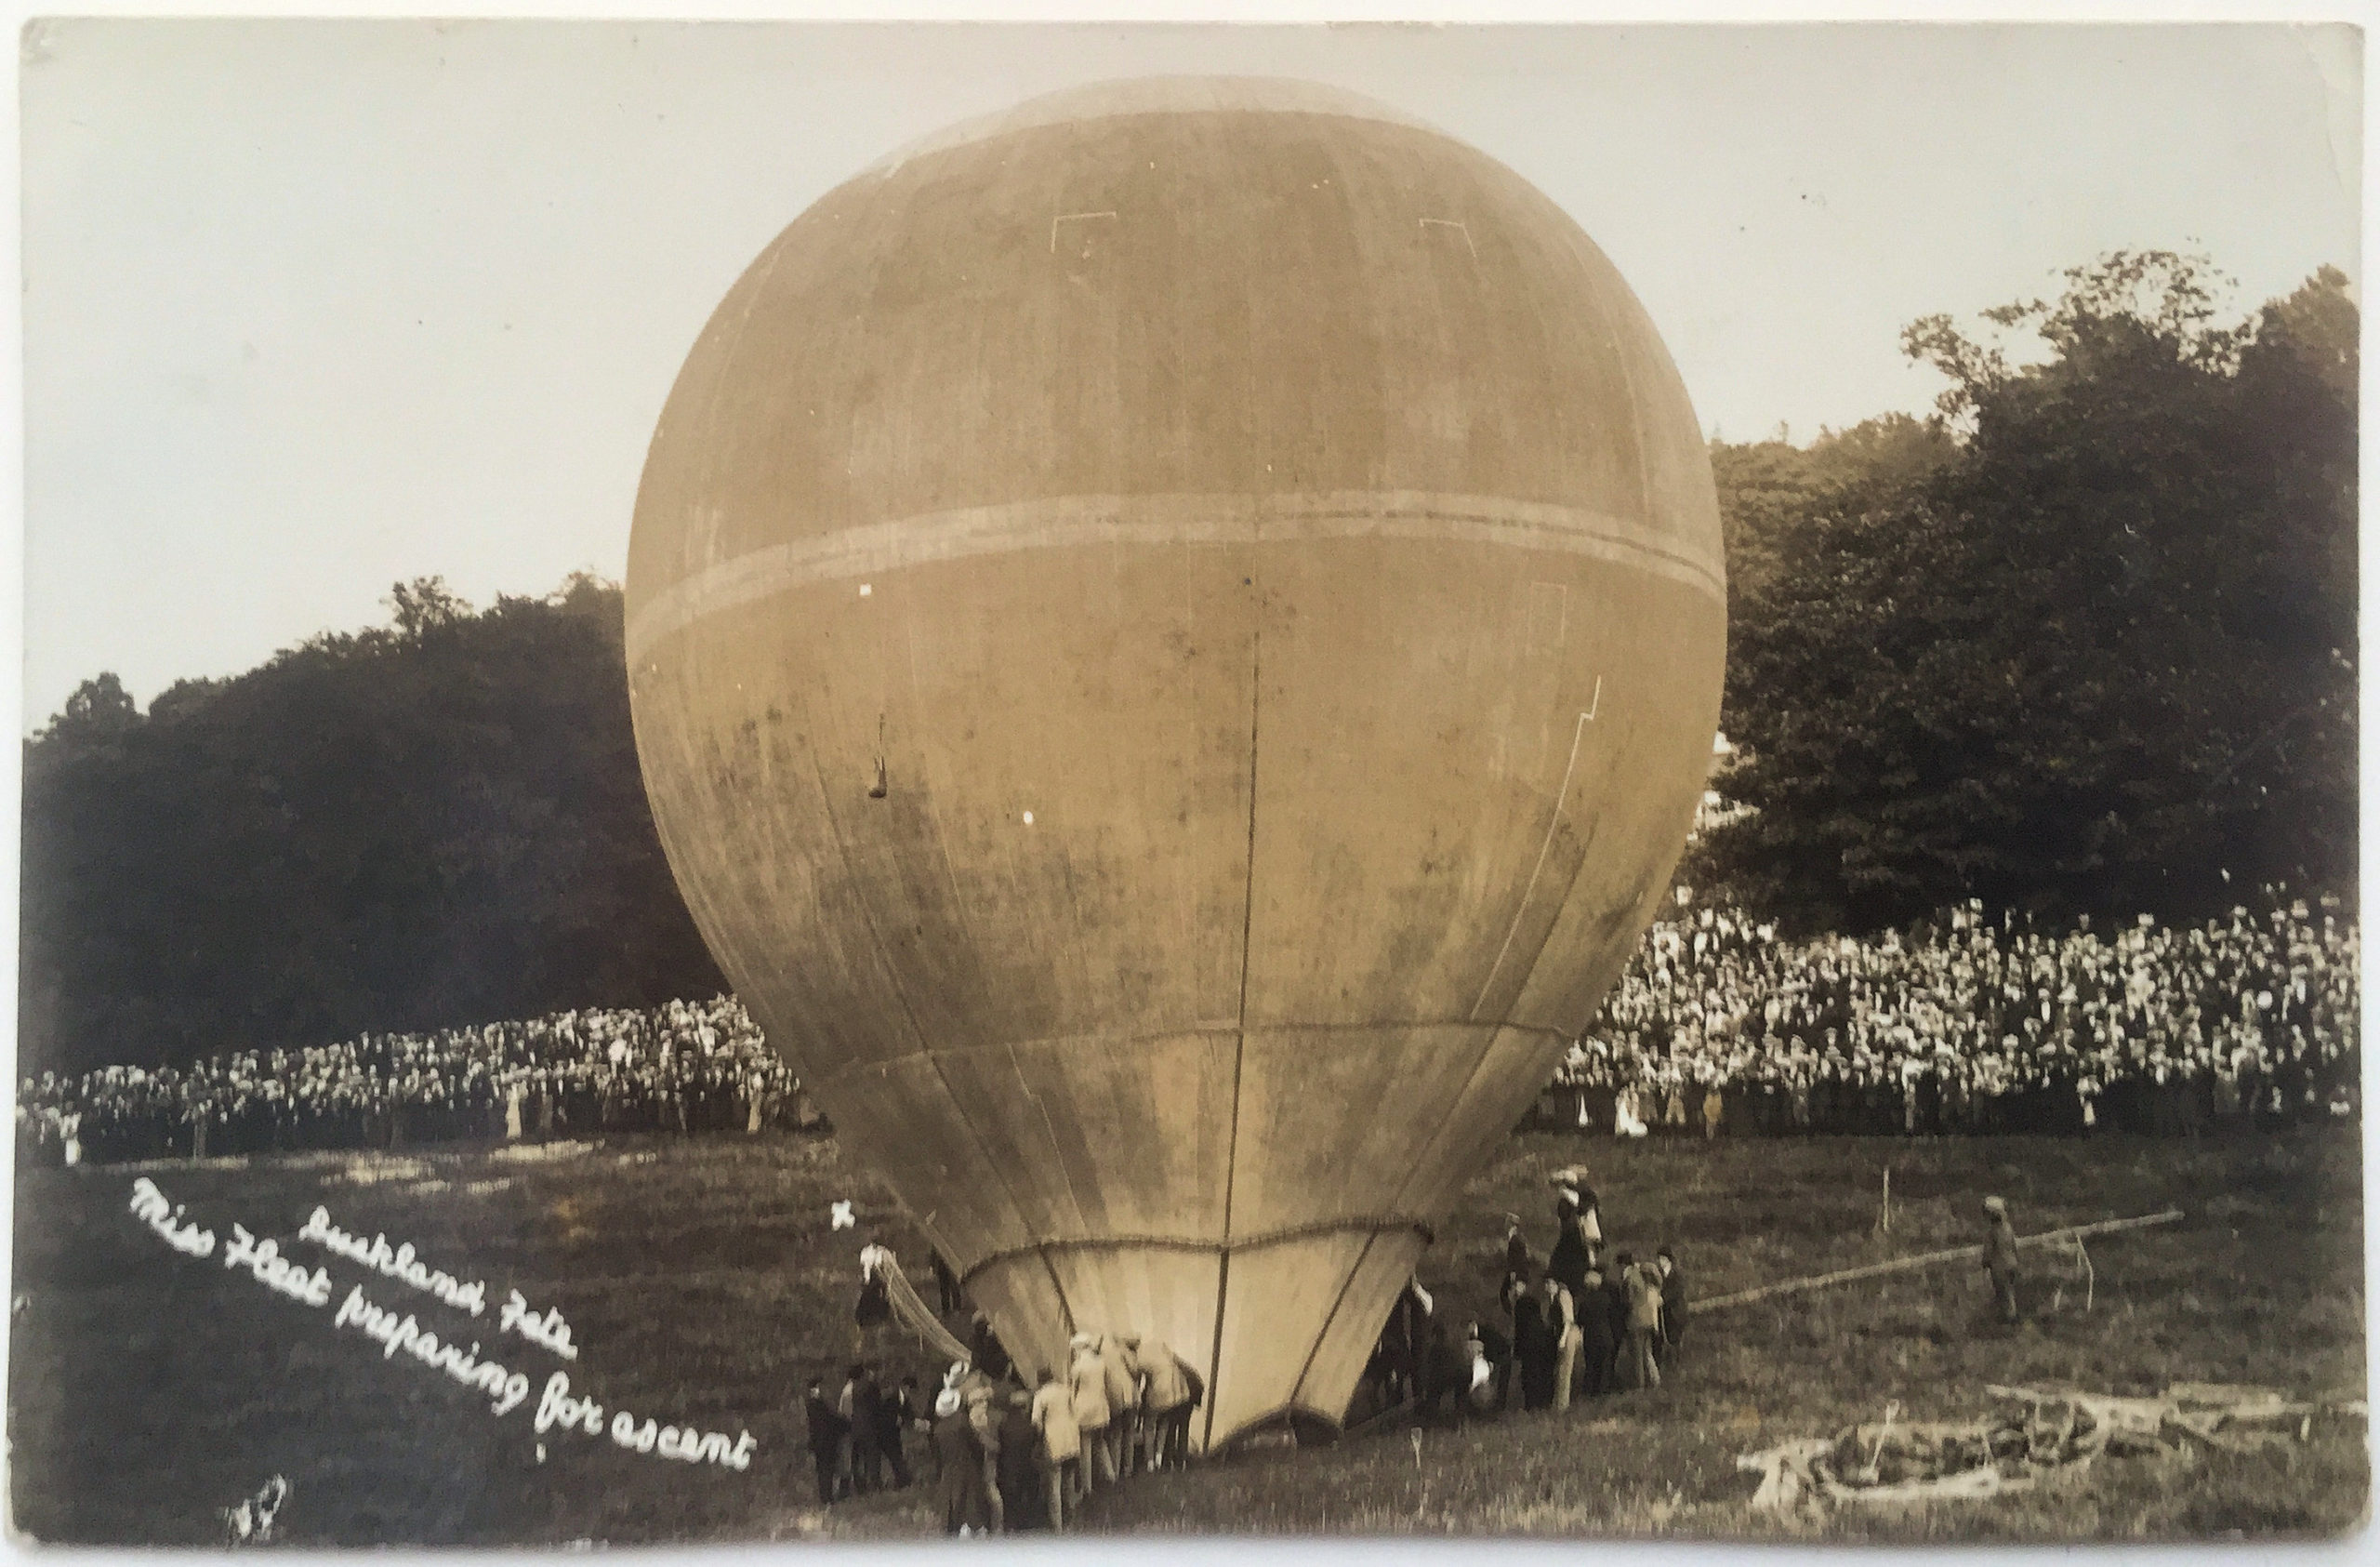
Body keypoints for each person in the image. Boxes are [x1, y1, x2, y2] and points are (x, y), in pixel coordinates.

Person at [931, 1387, 991, 1535]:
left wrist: (940, 1471)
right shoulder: (961, 1421)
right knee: (970, 1498)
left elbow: (937, 1454)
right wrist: (980, 1458)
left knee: (953, 1499)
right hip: (966, 1464)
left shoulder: (938, 1429)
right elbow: (974, 1443)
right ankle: (974, 1527)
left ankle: (955, 1528)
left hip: (949, 1468)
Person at [1031, 1367, 1082, 1527]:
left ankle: (1057, 1525)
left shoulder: (1040, 1396)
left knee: (1055, 1485)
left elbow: (1036, 1422)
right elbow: (1075, 1412)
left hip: (1053, 1440)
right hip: (1071, 1438)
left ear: (1040, 1380)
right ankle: (1071, 1518)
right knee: (1069, 1481)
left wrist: (1039, 1439)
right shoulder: (1065, 1390)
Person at [1137, 1336, 1195, 1471]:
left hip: (1155, 1400)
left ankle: (1149, 1462)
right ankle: (1159, 1457)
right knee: (1163, 1426)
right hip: (1172, 1400)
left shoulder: (1148, 1362)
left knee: (1149, 1428)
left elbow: (1138, 1371)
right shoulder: (1172, 1361)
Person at [1067, 1334, 1113, 1490]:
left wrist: (1071, 1410)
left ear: (1079, 1348)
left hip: (1084, 1409)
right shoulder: (1101, 1363)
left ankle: (1087, 1486)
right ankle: (1110, 1475)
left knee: (1085, 1447)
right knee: (1100, 1442)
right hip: (1101, 1407)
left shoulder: (1077, 1366)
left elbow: (1073, 1391)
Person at [997, 1387, 1042, 1531]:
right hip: (1027, 1468)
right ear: (1025, 1407)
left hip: (1007, 1468)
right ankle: (1028, 1524)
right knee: (1029, 1496)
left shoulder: (1003, 1426)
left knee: (1011, 1500)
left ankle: (1011, 1525)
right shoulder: (1031, 1428)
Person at [1098, 1334, 1143, 1479]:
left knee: (1115, 1435)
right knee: (1128, 1433)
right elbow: (1136, 1373)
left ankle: (1115, 1471)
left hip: (1114, 1398)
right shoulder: (1127, 1354)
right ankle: (1128, 1468)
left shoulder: (1104, 1356)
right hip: (1130, 1397)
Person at [1512, 1272, 1556, 1411]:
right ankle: (1544, 1402)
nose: (1515, 1289)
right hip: (1543, 1341)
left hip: (1529, 1343)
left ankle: (1531, 1405)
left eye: (1517, 1286)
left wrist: (1517, 1349)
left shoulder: (1521, 1304)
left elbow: (1520, 1328)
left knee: (1530, 1375)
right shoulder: (1534, 1301)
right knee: (1542, 1373)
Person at [803, 1377, 851, 1504]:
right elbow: (831, 1420)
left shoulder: (812, 1404)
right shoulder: (819, 1404)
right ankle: (827, 1498)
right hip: (826, 1442)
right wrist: (846, 1424)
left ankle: (826, 1497)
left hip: (820, 1442)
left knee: (824, 1471)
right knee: (827, 1471)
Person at [1620, 1251, 1663, 1391]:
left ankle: (1639, 1386)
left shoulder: (1629, 1279)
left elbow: (1628, 1302)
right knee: (1646, 1353)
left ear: (1623, 1265)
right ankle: (1654, 1380)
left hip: (1635, 1321)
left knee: (1637, 1356)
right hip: (1647, 1320)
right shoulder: (1640, 1275)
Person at [1573, 1267, 1615, 1400]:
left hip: (1591, 1337)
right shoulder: (1606, 1298)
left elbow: (1580, 1321)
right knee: (1605, 1367)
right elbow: (1611, 1316)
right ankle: (1604, 1393)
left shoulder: (1585, 1302)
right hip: (1606, 1335)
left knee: (1591, 1366)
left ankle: (1591, 1393)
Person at [1982, 1195, 2021, 1323]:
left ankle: (2009, 1319)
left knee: (2003, 1293)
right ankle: (2012, 1316)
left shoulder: (1991, 1232)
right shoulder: (2008, 1228)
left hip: (1999, 1266)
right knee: (2010, 1292)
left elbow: (1988, 1251)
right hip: (2012, 1263)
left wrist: (1985, 1265)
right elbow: (2014, 1245)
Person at [1547, 1273, 1581, 1414]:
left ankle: (1563, 1404)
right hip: (1562, 1333)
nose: (1547, 1287)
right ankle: (1558, 1402)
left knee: (1565, 1369)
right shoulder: (1553, 1298)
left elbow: (1568, 1320)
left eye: (1549, 1284)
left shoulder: (1564, 1295)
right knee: (1560, 1369)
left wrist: (1563, 1339)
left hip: (1569, 1334)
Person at [1655, 1246, 1689, 1368]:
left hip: (1676, 1312)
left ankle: (1676, 1365)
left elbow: (1677, 1290)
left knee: (1675, 1339)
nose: (1660, 1261)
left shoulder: (1677, 1273)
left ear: (1668, 1260)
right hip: (1663, 1312)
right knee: (1663, 1338)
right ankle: (1665, 1364)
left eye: (1662, 1258)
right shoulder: (1658, 1273)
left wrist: (1663, 1298)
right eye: (1659, 1258)